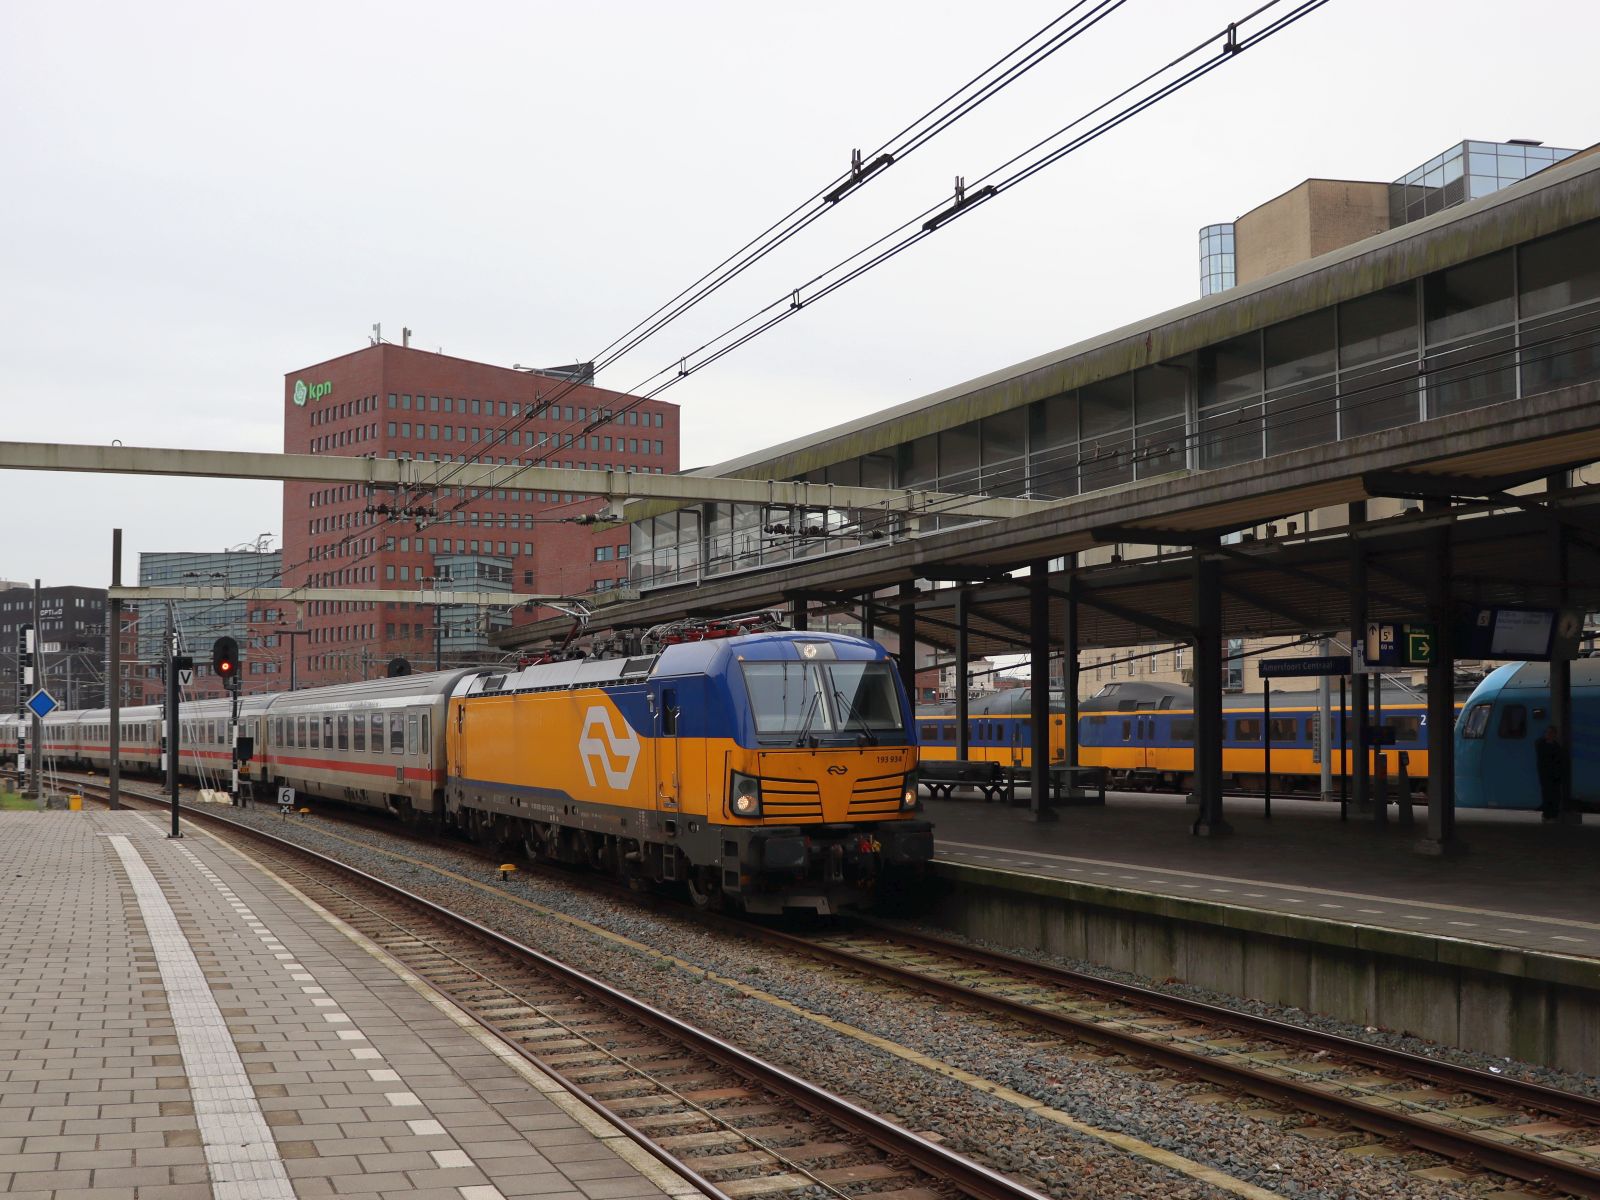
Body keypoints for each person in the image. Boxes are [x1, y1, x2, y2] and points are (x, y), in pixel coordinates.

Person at [1535, 725, 1565, 821]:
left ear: (1554, 735)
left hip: (1554, 775)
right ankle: (1547, 814)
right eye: (1547, 733)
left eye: (1551, 733)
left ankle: (1552, 814)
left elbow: (1559, 762)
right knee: (1547, 794)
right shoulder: (1541, 744)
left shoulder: (1557, 747)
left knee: (1554, 795)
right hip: (1545, 774)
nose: (1549, 735)